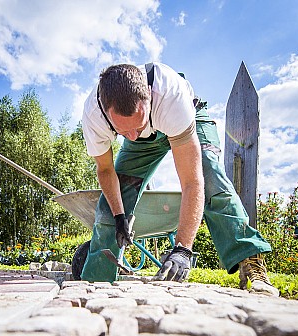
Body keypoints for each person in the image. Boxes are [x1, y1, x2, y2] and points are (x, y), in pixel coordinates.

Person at [80, 62, 279, 296]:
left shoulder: (170, 96)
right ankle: (94, 283)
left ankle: (252, 265)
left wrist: (183, 249)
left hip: (188, 121)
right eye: (123, 132)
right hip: (146, 141)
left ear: (149, 99)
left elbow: (191, 182)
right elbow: (105, 170)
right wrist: (119, 216)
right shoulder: (94, 116)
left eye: (138, 124)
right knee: (110, 207)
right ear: (106, 112)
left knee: (211, 177)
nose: (131, 137)